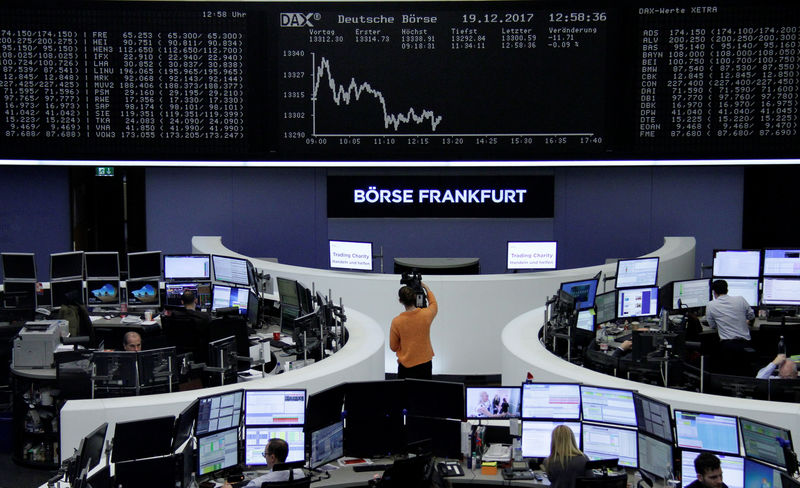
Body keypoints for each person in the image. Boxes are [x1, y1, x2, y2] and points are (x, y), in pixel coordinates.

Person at [389, 281, 438, 379]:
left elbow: (393, 346)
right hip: (425, 365)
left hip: (406, 367)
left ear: (400, 301)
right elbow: (434, 304)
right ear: (415, 297)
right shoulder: (426, 315)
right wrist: (427, 288)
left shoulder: (397, 321)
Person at [705, 280, 755, 375]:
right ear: (727, 290)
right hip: (745, 344)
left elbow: (712, 326)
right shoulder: (740, 299)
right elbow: (751, 316)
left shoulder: (711, 305)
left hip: (727, 346)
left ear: (714, 292)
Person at [224, 438, 305, 488]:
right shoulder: (300, 474)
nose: (265, 457)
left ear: (272, 458)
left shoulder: (258, 483)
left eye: (265, 454)